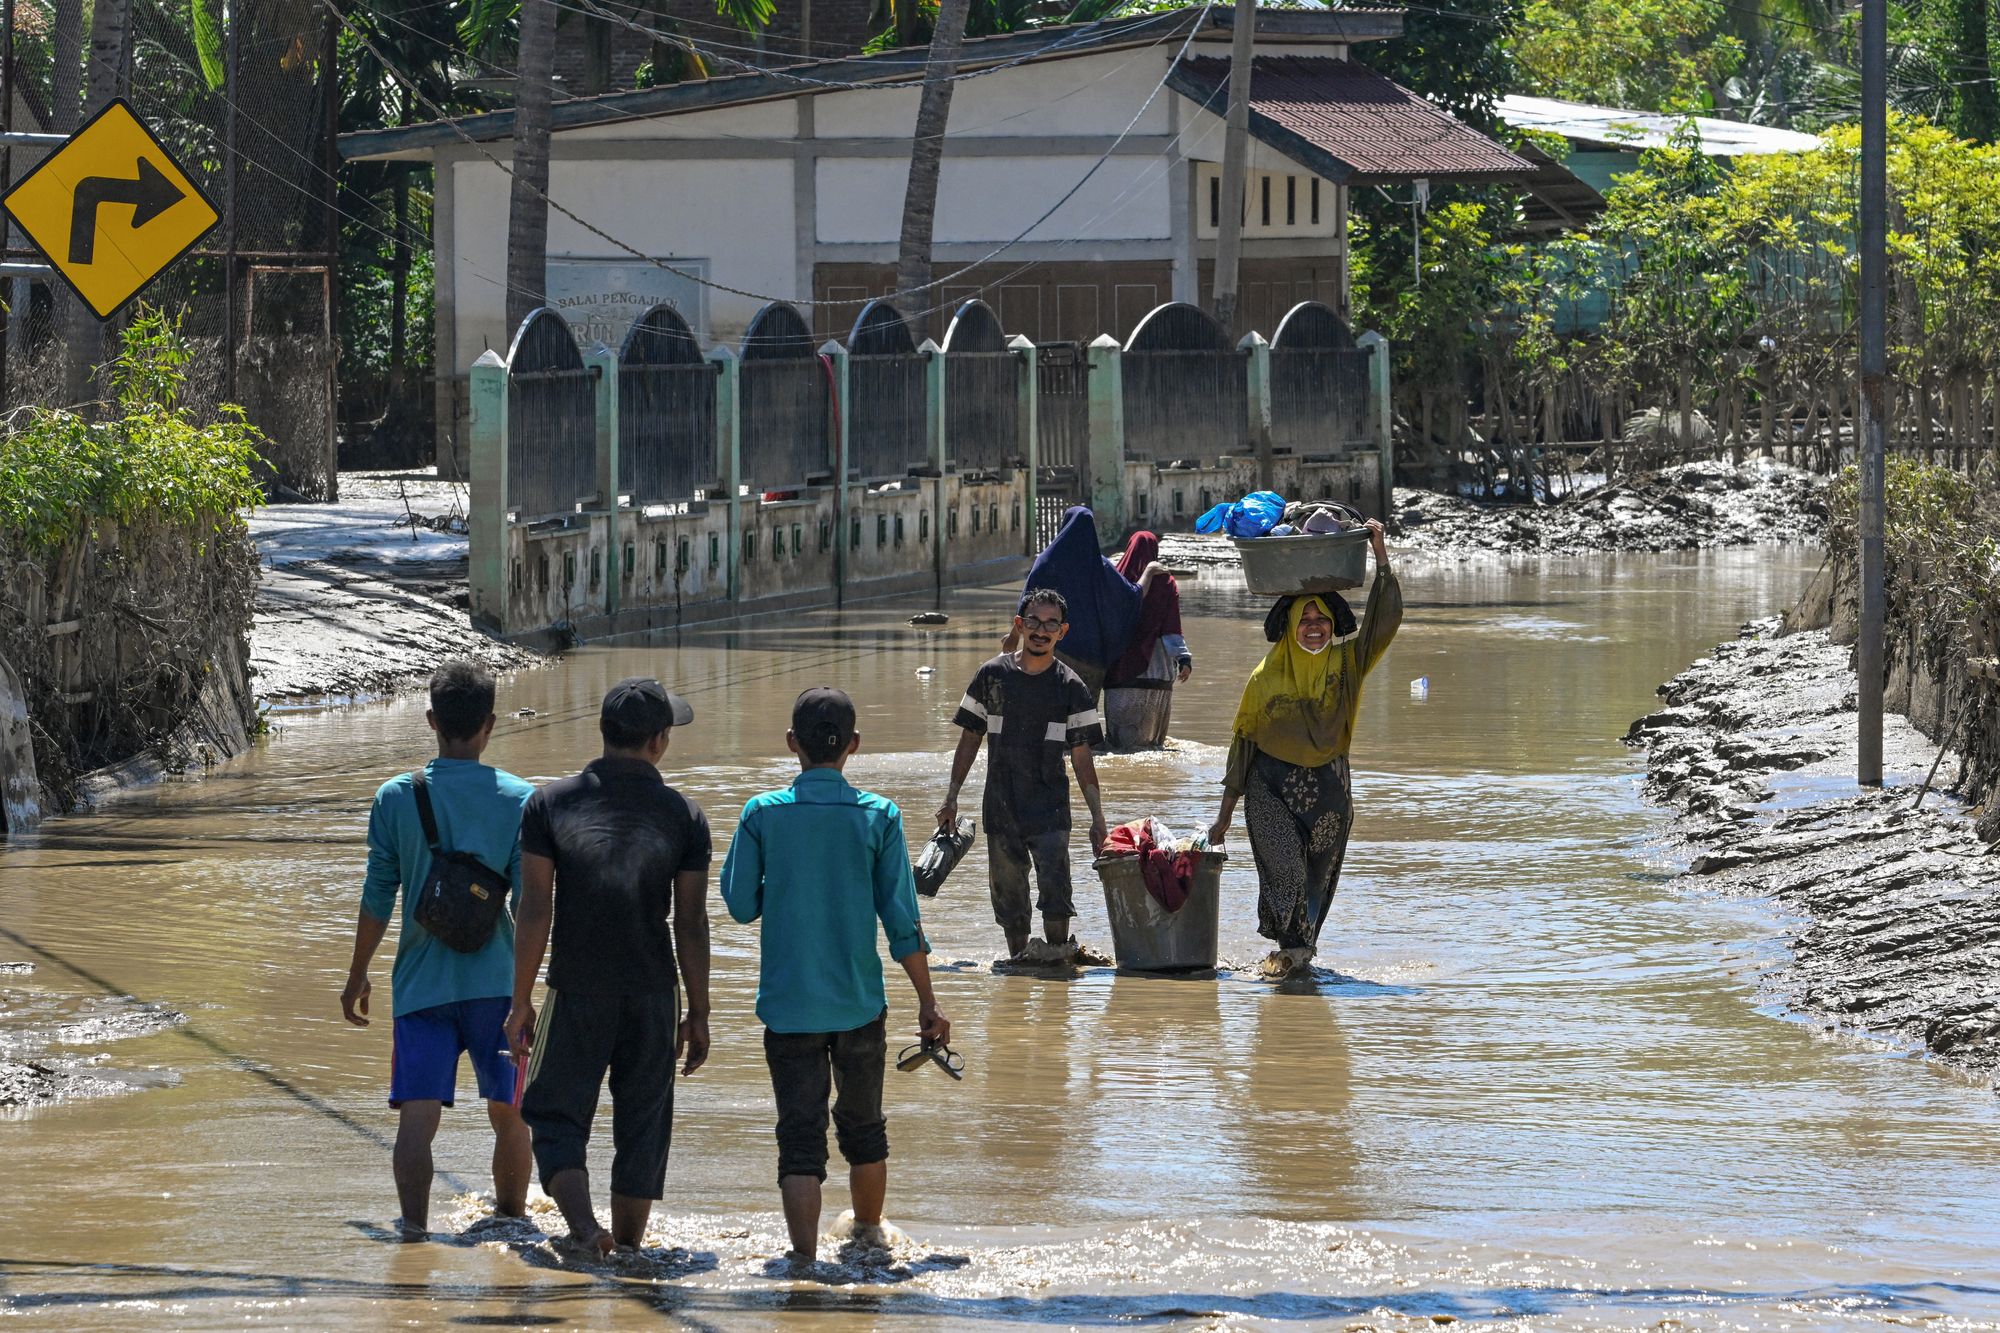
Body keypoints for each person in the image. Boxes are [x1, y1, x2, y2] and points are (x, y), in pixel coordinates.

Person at [719, 688, 949, 1266]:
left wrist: (786, 879)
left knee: (799, 1137)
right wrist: (928, 1001)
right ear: (853, 746)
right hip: (859, 1007)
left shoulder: (761, 814)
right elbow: (903, 922)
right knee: (865, 1128)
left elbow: (740, 906)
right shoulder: (880, 816)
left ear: (792, 744)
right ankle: (870, 1241)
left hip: (790, 1008)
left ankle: (802, 1263)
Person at [504, 678, 713, 1259]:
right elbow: (691, 924)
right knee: (642, 1125)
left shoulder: (550, 804)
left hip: (576, 988)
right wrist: (698, 1012)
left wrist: (521, 1000)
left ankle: (584, 1230)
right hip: (653, 992)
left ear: (603, 733)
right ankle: (627, 1247)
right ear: (659, 742)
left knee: (553, 1113)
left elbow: (535, 908)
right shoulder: (684, 815)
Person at [341, 660, 535, 1240]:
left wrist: (358, 975)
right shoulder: (522, 801)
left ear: (431, 721)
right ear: (490, 725)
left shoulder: (395, 798)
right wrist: (529, 995)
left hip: (420, 988)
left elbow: (377, 893)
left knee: (416, 1124)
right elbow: (530, 909)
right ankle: (512, 1225)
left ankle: (415, 1239)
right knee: (511, 1117)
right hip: (499, 989)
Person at [1208, 519, 1401, 979]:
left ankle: (1298, 957)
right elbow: (1242, 745)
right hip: (1270, 787)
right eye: (1305, 619)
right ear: (1291, 626)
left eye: (1321, 620)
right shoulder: (1264, 678)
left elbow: (1385, 621)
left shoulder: (1349, 663)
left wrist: (1380, 554)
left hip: (1330, 788)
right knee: (1287, 876)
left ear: (1333, 625)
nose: (1313, 627)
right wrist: (1224, 813)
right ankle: (1289, 954)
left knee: (1317, 879)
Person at [944, 587, 1110, 962]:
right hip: (1001, 810)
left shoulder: (1071, 688)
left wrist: (1098, 818)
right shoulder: (991, 677)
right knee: (1010, 902)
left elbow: (1083, 758)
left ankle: (1056, 966)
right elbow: (970, 737)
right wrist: (951, 797)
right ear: (1020, 624)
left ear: (1062, 632)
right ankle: (1019, 968)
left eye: (1051, 624)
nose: (1041, 630)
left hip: (1051, 812)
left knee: (1056, 896)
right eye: (1033, 621)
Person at [1003, 506, 1162, 706]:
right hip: (1091, 659)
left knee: (1046, 712)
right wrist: (1148, 572)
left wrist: (1014, 636)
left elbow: (1027, 602)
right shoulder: (1099, 567)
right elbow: (1131, 597)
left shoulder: (1046, 561)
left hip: (1051, 651)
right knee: (1081, 719)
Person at [1102, 530, 1192, 750]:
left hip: (1119, 673)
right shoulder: (1165, 581)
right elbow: (1171, 626)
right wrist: (1184, 659)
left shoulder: (1116, 577)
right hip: (1156, 674)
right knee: (1152, 746)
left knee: (1120, 746)